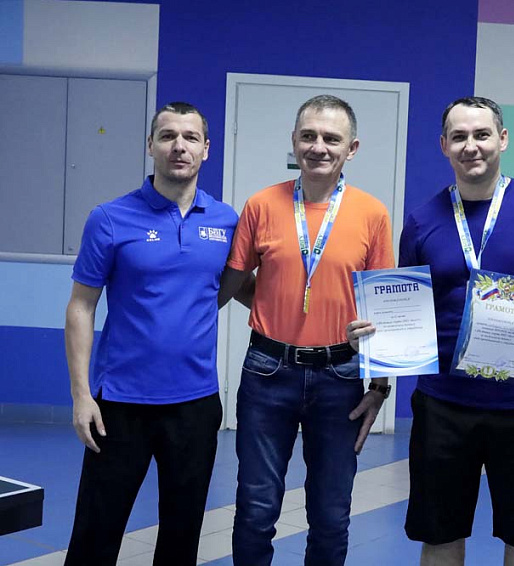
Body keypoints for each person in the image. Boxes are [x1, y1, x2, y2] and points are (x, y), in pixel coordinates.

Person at [384, 96, 514, 566]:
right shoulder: (422, 220)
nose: (471, 146)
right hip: (443, 405)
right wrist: (378, 335)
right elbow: (406, 308)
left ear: (502, 139)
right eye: (459, 137)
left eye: (482, 134)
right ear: (444, 145)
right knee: (440, 536)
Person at [218, 94, 394, 566]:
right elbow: (232, 281)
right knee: (256, 509)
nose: (319, 147)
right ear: (294, 141)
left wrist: (380, 387)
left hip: (340, 376)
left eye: (331, 138)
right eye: (309, 136)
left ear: (352, 148)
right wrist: (275, 304)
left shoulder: (372, 213)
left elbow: (383, 309)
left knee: (331, 514)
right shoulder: (261, 204)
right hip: (267, 371)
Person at [64, 102, 239, 565]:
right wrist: (81, 395)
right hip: (120, 404)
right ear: (150, 146)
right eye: (167, 136)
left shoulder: (226, 221)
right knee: (95, 534)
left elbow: (242, 287)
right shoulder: (110, 218)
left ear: (206, 149)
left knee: (182, 538)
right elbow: (81, 306)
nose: (179, 146)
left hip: (196, 405)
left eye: (190, 137)